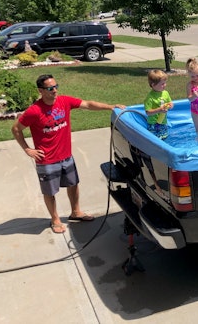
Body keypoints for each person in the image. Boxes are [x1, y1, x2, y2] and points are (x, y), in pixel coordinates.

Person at [11, 74, 126, 234]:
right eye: (50, 88)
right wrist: (27, 149)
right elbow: (16, 129)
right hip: (47, 160)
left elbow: (87, 104)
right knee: (49, 192)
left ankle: (76, 212)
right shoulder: (34, 111)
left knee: (73, 184)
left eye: (56, 86)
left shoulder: (64, 101)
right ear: (41, 91)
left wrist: (110, 107)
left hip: (66, 156)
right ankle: (55, 219)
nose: (55, 90)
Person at [144, 69, 174, 140]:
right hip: (153, 124)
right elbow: (148, 112)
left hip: (163, 122)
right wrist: (159, 110)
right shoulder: (150, 97)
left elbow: (171, 103)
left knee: (164, 138)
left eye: (165, 83)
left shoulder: (165, 93)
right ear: (153, 85)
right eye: (162, 84)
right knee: (155, 140)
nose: (165, 85)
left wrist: (170, 106)